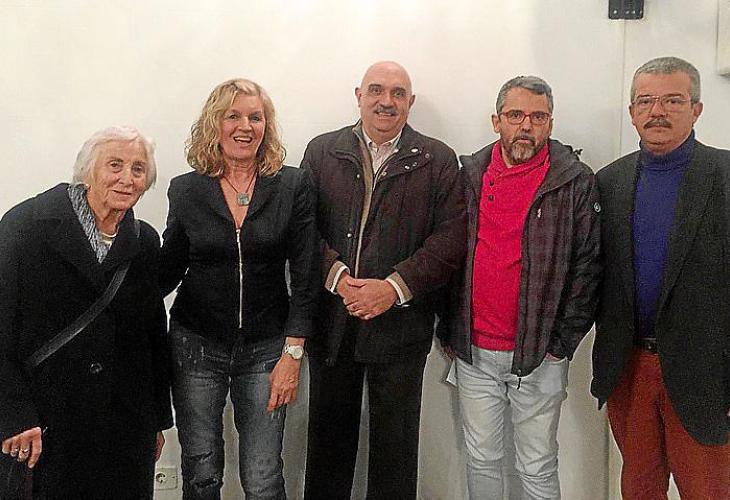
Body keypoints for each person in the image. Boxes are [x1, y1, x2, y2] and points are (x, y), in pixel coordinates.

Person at [301, 61, 466, 499]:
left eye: (398, 93)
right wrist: (337, 278)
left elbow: (451, 239)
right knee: (327, 450)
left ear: (410, 102)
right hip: (332, 325)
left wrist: (392, 288)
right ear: (359, 95)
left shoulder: (438, 159)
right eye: (376, 90)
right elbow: (302, 228)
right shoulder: (322, 152)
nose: (386, 101)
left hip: (402, 329)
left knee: (396, 455)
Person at [439, 76, 601, 499]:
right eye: (515, 115)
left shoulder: (573, 181)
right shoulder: (470, 175)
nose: (526, 126)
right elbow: (447, 252)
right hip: (475, 352)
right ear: (496, 121)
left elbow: (588, 268)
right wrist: (450, 329)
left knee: (537, 464)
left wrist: (559, 345)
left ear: (550, 123)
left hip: (539, 355)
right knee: (481, 459)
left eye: (538, 116)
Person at [160, 78, 318, 500]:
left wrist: (293, 354)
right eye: (233, 116)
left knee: (263, 477)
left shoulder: (292, 185)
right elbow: (168, 267)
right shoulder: (186, 188)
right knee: (201, 470)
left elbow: (306, 277)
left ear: (267, 125)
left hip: (267, 349)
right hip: (196, 345)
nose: (245, 126)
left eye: (255, 117)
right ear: (215, 123)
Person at [0, 126, 172, 498]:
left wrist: (156, 420)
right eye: (115, 165)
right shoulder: (25, 226)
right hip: (44, 424)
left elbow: (153, 335)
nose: (127, 178)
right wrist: (13, 413)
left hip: (123, 426)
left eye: (138, 169)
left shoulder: (144, 241)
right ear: (88, 171)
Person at [591, 56, 730, 499]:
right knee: (639, 488)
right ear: (632, 112)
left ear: (696, 109)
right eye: (646, 101)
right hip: (630, 367)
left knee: (707, 491)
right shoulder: (609, 181)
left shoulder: (725, 176)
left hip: (707, 373)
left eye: (673, 100)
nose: (658, 112)